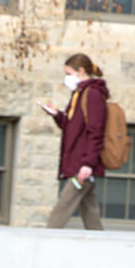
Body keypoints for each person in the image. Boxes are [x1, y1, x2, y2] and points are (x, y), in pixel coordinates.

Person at [41, 53, 107, 230]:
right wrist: (56, 114)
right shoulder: (79, 94)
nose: (66, 78)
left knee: (62, 208)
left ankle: (43, 243)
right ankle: (102, 248)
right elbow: (72, 127)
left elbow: (95, 131)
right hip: (79, 162)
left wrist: (88, 164)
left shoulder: (92, 94)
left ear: (81, 71)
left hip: (83, 165)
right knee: (90, 213)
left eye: (68, 73)